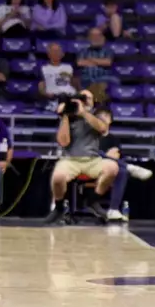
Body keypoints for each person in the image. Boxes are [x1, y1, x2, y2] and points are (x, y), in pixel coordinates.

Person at [44, 91, 130, 223]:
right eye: (81, 98)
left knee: (112, 167)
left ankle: (93, 200)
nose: (84, 101)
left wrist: (84, 113)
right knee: (57, 177)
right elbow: (63, 142)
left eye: (87, 98)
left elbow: (102, 128)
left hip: (92, 160)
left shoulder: (95, 116)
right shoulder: (69, 117)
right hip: (71, 160)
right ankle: (59, 208)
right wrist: (65, 116)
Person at [75, 25, 120, 102]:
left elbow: (108, 62)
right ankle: (98, 101)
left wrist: (90, 60)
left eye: (98, 35)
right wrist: (99, 62)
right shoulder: (83, 51)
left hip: (103, 77)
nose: (96, 38)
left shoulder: (107, 51)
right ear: (89, 38)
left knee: (114, 80)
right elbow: (80, 63)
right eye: (93, 35)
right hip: (86, 78)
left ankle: (94, 100)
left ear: (102, 37)